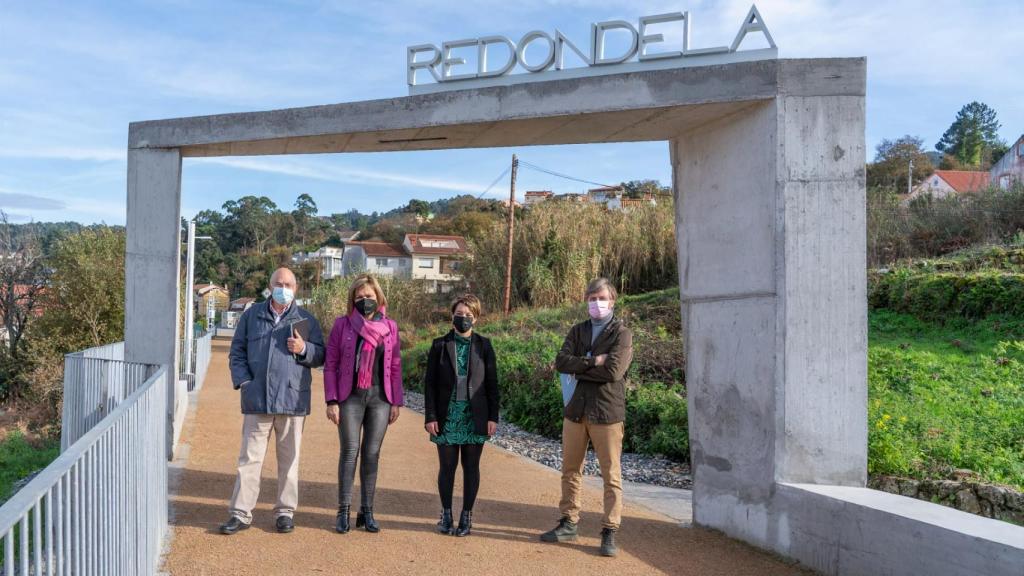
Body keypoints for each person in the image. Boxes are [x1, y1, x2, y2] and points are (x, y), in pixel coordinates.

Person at [221, 267, 325, 535]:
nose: (283, 287)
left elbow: (321, 356)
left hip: (292, 401)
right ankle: (241, 514)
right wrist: (244, 382)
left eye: (288, 283)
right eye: (279, 283)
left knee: (289, 461)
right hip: (257, 399)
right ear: (270, 286)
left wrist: (304, 350)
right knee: (249, 460)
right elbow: (237, 352)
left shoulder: (306, 319)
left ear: (296, 288)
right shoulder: (252, 316)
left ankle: (285, 512)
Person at [541, 277, 633, 557]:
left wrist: (578, 367)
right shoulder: (578, 330)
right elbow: (560, 362)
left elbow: (614, 372)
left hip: (607, 412)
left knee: (611, 474)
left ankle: (609, 530)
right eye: (592, 298)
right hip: (576, 411)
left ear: (612, 300)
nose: (596, 303)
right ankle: (569, 522)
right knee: (570, 470)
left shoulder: (622, 333)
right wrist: (594, 360)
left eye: (601, 298)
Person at [323, 274, 404, 534]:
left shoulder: (390, 327)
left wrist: (396, 402)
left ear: (378, 298)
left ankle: (367, 511)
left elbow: (395, 365)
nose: (365, 301)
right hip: (350, 397)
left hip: (380, 398)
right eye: (359, 297)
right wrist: (332, 400)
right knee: (349, 452)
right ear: (352, 300)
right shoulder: (342, 325)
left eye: (369, 297)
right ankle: (343, 510)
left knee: (371, 454)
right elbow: (331, 364)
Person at [423, 294, 499, 537]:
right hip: (447, 415)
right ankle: (446, 514)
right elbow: (430, 384)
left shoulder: (484, 345)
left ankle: (467, 516)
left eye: (468, 315)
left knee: (471, 467)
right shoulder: (439, 345)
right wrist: (431, 416)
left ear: (476, 318)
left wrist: (493, 417)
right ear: (452, 316)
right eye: (459, 314)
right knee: (447, 467)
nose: (463, 318)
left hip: (475, 416)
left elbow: (492, 384)